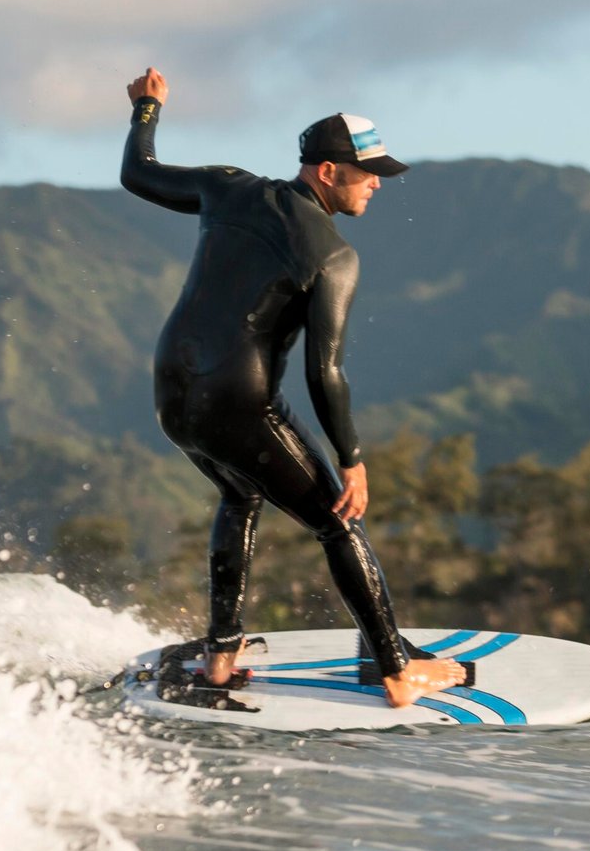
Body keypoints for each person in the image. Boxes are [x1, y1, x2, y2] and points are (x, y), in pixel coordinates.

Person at [119, 67, 465, 708]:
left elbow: (139, 174)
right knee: (340, 521)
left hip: (174, 393)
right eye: (368, 174)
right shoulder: (333, 256)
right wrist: (351, 459)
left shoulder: (228, 189)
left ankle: (221, 656)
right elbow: (323, 371)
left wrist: (146, 108)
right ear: (328, 172)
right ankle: (396, 672)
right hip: (240, 404)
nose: (377, 185)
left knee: (240, 493)